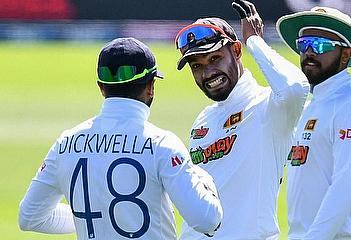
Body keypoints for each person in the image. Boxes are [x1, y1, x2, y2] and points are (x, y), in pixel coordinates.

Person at [18, 37, 223, 239]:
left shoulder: (66, 143)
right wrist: (205, 179)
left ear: (101, 88)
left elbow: (30, 217)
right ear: (151, 87)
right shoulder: (162, 144)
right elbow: (207, 220)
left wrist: (97, 215)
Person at [174, 0, 309, 239]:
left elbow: (296, 88)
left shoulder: (269, 108)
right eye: (197, 66)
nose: (208, 73)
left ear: (236, 51)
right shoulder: (203, 121)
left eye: (215, 59)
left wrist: (254, 41)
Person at [276, 6, 351, 240]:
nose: (309, 53)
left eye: (321, 45)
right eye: (304, 44)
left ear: (346, 55)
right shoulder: (311, 105)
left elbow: (347, 186)